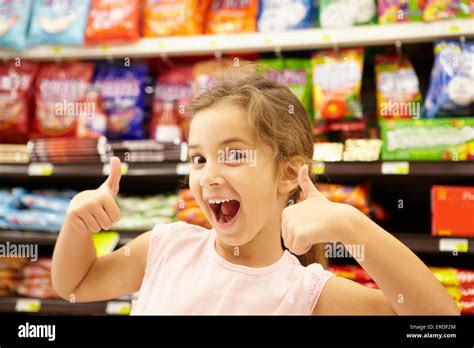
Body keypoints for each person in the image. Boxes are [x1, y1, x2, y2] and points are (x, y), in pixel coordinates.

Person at [51, 66, 459, 315]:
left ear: (287, 175)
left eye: (232, 155)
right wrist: (77, 223)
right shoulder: (166, 247)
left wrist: (352, 225)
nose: (208, 175)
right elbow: (74, 284)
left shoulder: (307, 293)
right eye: (198, 159)